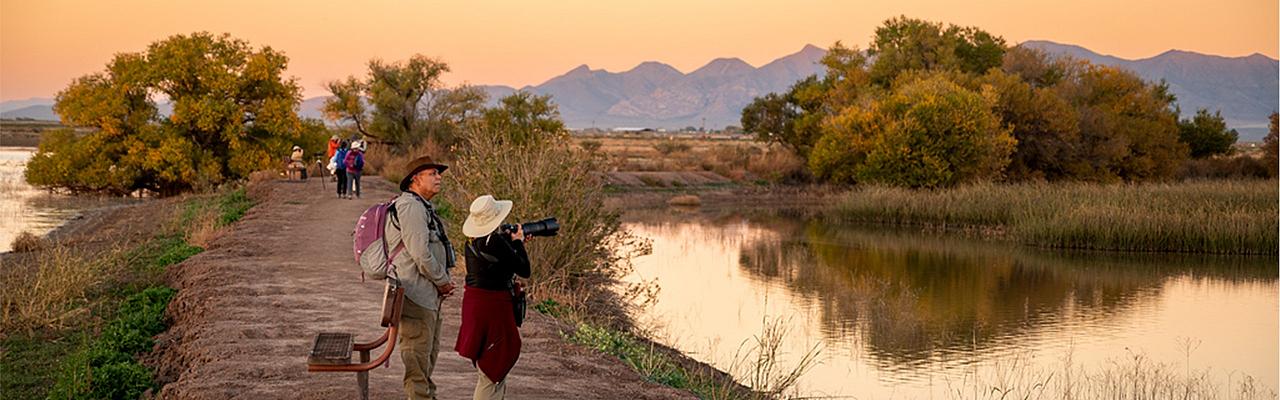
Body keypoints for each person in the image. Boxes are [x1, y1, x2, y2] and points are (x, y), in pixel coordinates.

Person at [385, 156, 456, 400]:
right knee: (417, 357)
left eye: (439, 174)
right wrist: (442, 281)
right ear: (415, 179)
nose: (439, 178)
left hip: (426, 294)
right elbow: (420, 252)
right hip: (416, 293)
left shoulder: (422, 205)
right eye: (432, 174)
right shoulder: (411, 206)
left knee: (426, 355)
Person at [455, 195, 530, 400]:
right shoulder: (496, 243)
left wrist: (510, 241)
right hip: (493, 308)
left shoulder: (472, 242)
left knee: (487, 365)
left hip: (475, 306)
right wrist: (519, 243)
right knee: (492, 368)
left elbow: (495, 259)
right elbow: (524, 269)